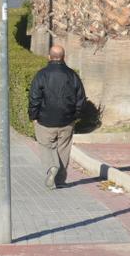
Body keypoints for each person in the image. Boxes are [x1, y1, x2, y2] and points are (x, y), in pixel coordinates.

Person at [28, 44, 87, 189]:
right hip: (67, 120)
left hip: (45, 120)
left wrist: (33, 115)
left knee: (46, 146)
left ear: (49, 57)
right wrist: (75, 116)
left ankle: (52, 166)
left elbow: (34, 97)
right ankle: (60, 180)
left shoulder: (41, 75)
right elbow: (81, 98)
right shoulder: (72, 75)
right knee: (63, 148)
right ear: (63, 57)